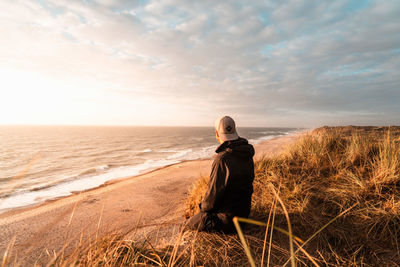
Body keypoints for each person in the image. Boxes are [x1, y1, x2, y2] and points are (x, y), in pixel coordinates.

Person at [186, 116, 255, 233]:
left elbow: (210, 203)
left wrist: (200, 208)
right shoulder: (246, 153)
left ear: (217, 134)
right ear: (234, 130)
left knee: (188, 224)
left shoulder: (222, 160)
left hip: (227, 223)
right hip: (243, 215)